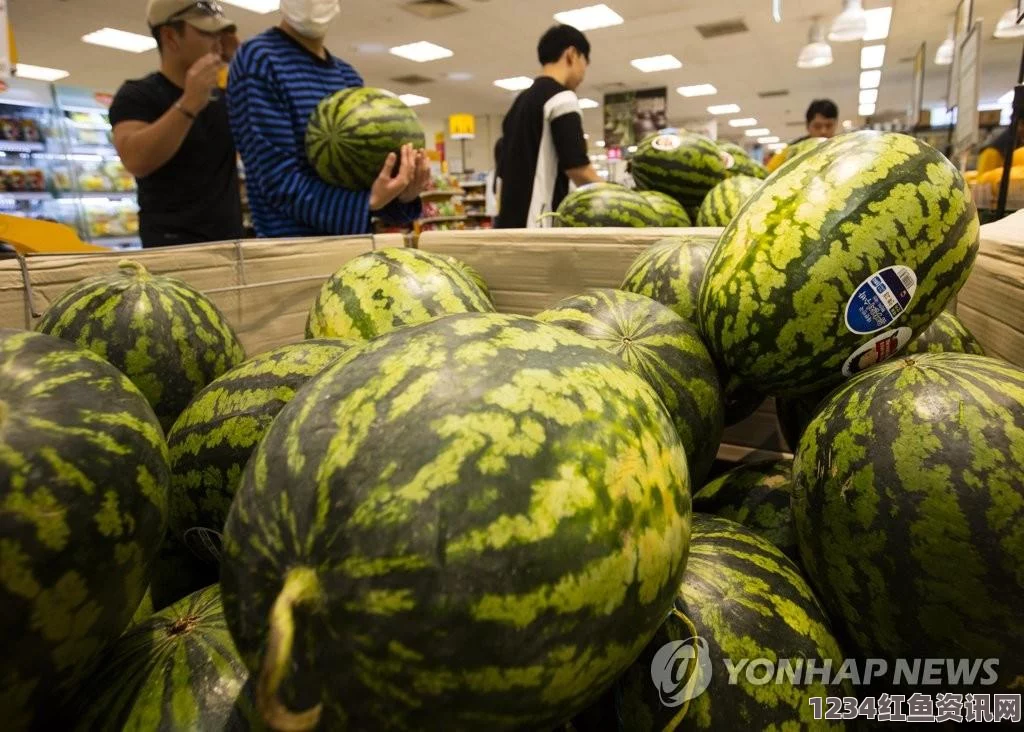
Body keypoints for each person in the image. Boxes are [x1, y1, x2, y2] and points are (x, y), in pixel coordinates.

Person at [227, 0, 430, 238]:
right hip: (292, 250)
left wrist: (402, 194)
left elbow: (366, 185)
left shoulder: (346, 75)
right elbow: (275, 180)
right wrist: (369, 201)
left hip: (355, 244)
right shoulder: (259, 59)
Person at [110, 1, 244, 247]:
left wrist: (242, 61)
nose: (217, 41)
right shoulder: (138, 95)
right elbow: (135, 159)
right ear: (171, 37)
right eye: (207, 32)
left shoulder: (224, 95)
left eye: (220, 33)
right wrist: (190, 102)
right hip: (171, 248)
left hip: (231, 243)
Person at [496, 24, 602, 229]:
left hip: (507, 226)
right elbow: (579, 169)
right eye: (585, 62)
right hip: (538, 226)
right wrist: (619, 195)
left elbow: (503, 172)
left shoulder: (519, 103)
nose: (583, 74)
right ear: (571, 55)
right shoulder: (562, 98)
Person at [767, 99, 840, 173]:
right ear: (807, 126)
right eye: (817, 126)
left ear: (836, 124)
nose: (823, 131)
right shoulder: (790, 151)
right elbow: (767, 174)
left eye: (829, 125)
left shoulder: (842, 148)